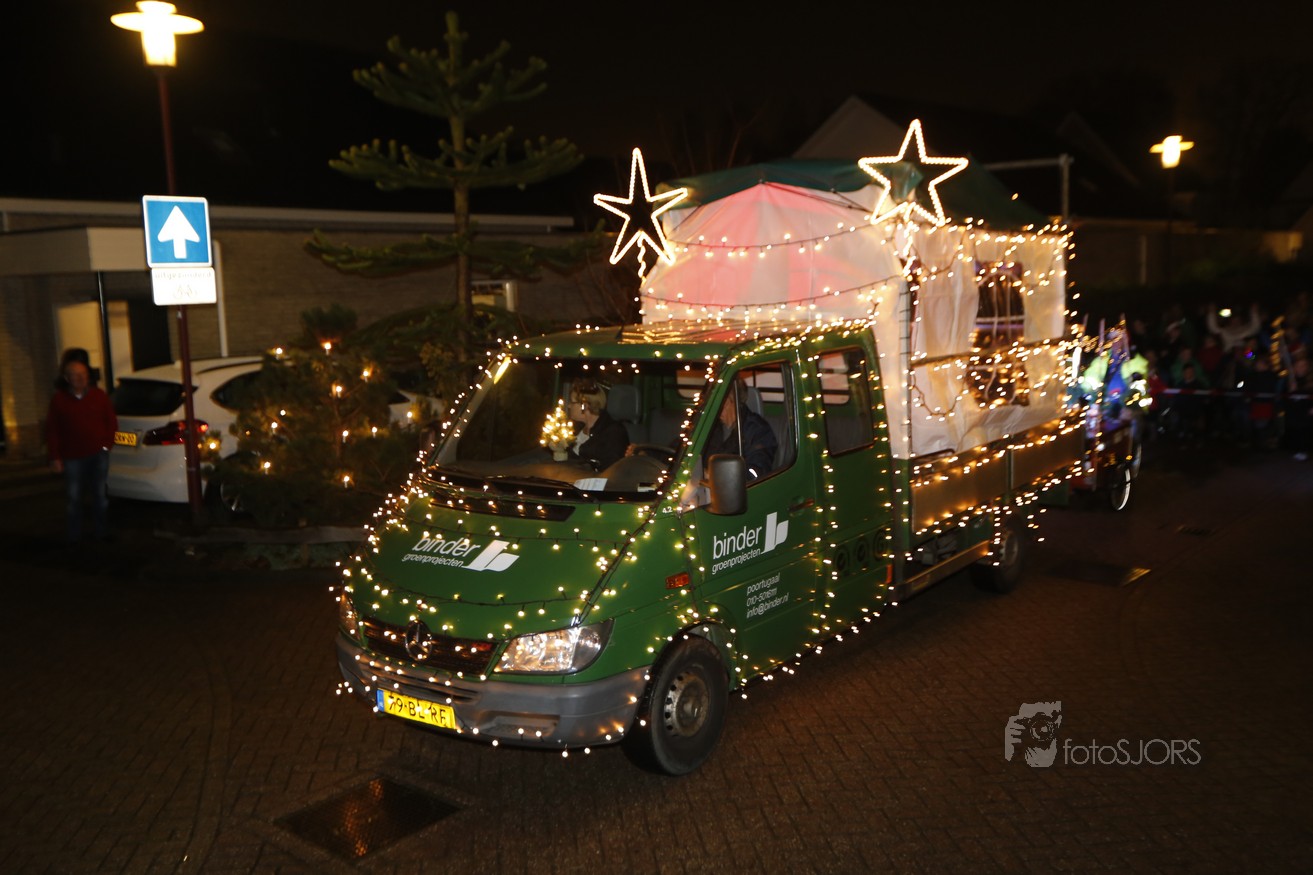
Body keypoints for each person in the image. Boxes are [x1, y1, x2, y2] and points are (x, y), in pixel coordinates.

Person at [47, 358, 118, 542]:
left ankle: (102, 531)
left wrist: (107, 445)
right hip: (72, 457)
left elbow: (111, 421)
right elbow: (52, 430)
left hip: (98, 454)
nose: (80, 378)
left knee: (100, 495)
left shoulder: (99, 396)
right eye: (75, 375)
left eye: (83, 374)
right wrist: (55, 457)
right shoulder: (59, 400)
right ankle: (74, 535)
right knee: (74, 497)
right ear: (67, 378)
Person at [705, 388, 777, 481]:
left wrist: (721, 476)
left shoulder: (758, 430)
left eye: (722, 402)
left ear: (735, 402)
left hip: (740, 487)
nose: (717, 407)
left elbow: (756, 472)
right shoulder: (711, 427)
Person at [567, 381, 629, 471]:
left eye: (572, 402)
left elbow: (612, 470)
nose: (569, 406)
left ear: (584, 406)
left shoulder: (614, 432)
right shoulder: (575, 429)